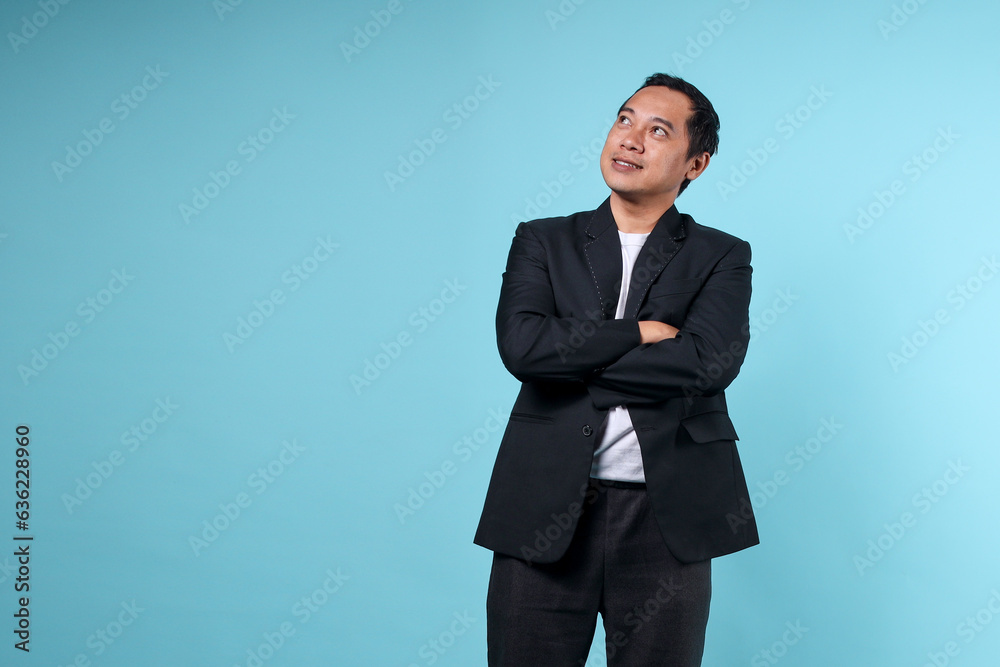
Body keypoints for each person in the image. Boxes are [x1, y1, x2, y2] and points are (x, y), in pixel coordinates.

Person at [473, 73, 759, 667]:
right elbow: (522, 349)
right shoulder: (542, 241)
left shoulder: (723, 255)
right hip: (543, 510)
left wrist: (571, 360)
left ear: (695, 164)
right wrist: (638, 334)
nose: (630, 139)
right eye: (625, 119)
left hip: (667, 518)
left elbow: (708, 363)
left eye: (658, 130)